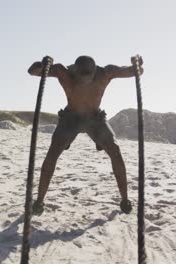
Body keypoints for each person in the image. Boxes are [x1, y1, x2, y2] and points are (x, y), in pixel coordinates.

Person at [28, 55, 144, 215]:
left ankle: (125, 199)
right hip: (70, 118)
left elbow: (135, 72)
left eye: (88, 76)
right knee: (53, 153)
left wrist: (137, 64)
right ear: (75, 70)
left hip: (95, 119)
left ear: (94, 71)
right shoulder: (64, 72)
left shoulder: (105, 73)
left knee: (115, 151)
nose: (83, 80)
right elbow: (32, 71)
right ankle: (39, 201)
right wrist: (43, 64)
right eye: (80, 76)